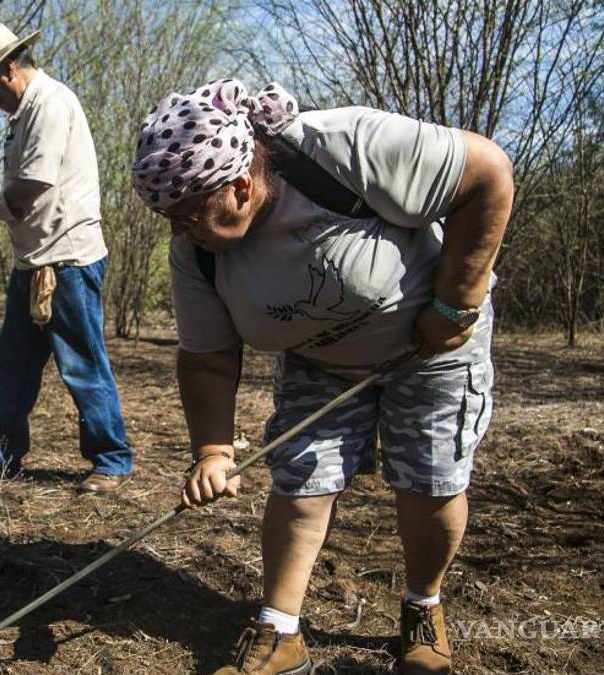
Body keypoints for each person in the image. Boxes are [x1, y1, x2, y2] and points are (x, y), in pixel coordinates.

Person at [130, 80, 513, 674]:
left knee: (429, 483)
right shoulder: (198, 255)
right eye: (169, 218)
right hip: (318, 360)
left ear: (237, 185)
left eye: (188, 216)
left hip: (431, 345)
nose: (180, 233)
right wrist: (211, 449)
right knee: (301, 482)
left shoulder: (340, 150)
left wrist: (456, 301)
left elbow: (487, 174)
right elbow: (208, 356)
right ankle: (279, 634)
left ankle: (422, 609)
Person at [0, 23, 133, 494]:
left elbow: (33, 187)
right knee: (11, 368)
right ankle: (1, 457)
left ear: (9, 69)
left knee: (82, 365)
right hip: (33, 260)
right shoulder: (24, 113)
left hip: (67, 258)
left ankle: (112, 459)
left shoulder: (49, 103)